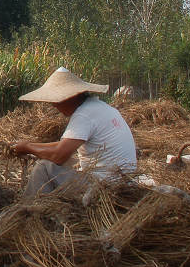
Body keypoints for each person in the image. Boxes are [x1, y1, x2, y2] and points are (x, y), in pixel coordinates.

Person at [11, 67, 137, 197]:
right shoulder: (99, 107)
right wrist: (28, 146)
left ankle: (29, 210)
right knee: (68, 161)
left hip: (105, 185)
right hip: (122, 180)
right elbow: (62, 146)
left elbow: (59, 156)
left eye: (56, 100)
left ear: (71, 97)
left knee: (44, 167)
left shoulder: (84, 115)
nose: (54, 105)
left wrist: (28, 147)